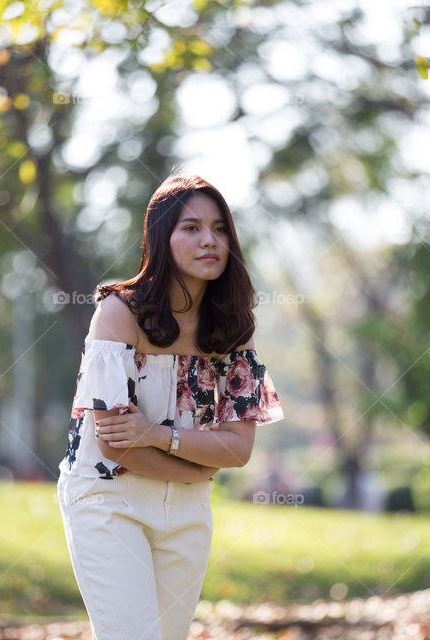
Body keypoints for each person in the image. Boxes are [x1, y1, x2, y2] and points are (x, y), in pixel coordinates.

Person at [56, 173, 285, 640]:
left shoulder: (234, 329)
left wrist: (160, 436)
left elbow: (239, 449)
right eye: (192, 228)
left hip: (186, 512)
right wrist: (197, 466)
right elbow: (116, 444)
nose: (210, 241)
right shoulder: (119, 313)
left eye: (220, 229)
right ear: (161, 237)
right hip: (107, 500)